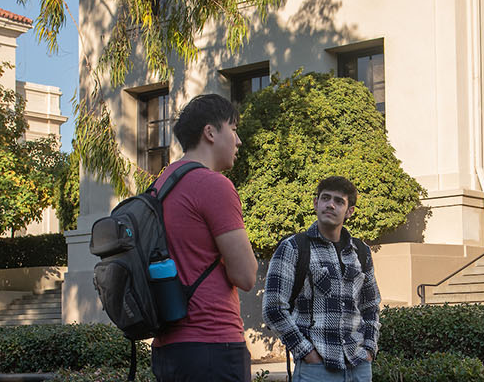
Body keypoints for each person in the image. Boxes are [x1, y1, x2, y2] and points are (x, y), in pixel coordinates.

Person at [149, 94, 260, 382]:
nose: (238, 141)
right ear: (210, 132)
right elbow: (246, 276)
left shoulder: (158, 187)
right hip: (212, 344)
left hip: (167, 349)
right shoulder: (213, 185)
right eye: (233, 129)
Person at [263, 176, 381, 382]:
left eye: (339, 201)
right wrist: (307, 354)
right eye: (325, 198)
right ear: (316, 203)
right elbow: (273, 308)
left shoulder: (361, 252)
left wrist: (370, 348)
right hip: (317, 369)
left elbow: (370, 307)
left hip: (359, 365)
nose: (331, 205)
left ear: (349, 211)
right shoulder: (293, 247)